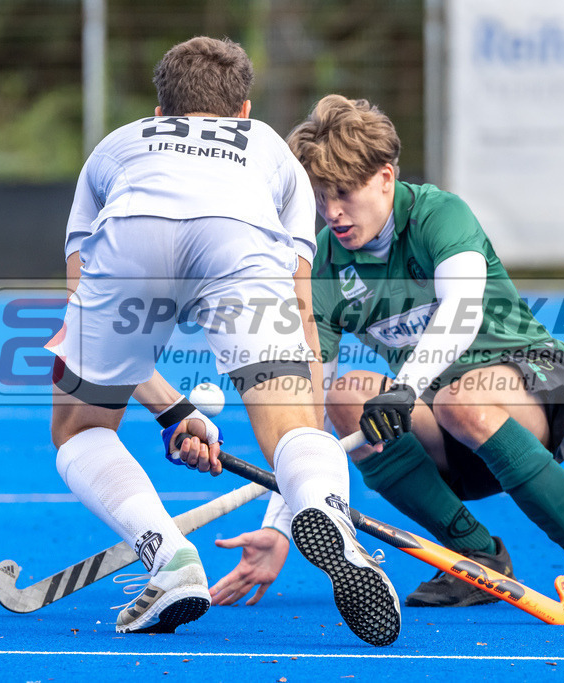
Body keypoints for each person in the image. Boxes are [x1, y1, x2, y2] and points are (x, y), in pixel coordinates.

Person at [209, 94, 564, 615]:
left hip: (539, 386)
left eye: (344, 192)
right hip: (447, 422)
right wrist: (281, 528)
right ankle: (475, 558)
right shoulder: (326, 268)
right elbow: (306, 418)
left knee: (459, 397)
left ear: (385, 176)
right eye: (319, 195)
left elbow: (461, 314)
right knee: (346, 397)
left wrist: (404, 389)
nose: (331, 212)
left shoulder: (438, 215)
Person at [46, 42, 400, 646]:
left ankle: (170, 560)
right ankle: (329, 510)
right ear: (243, 108)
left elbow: (83, 303)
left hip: (134, 231)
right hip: (237, 235)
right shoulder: (268, 149)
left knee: (81, 429)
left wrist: (171, 410)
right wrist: (304, 457)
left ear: (159, 112)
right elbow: (302, 312)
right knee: (291, 430)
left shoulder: (116, 147)